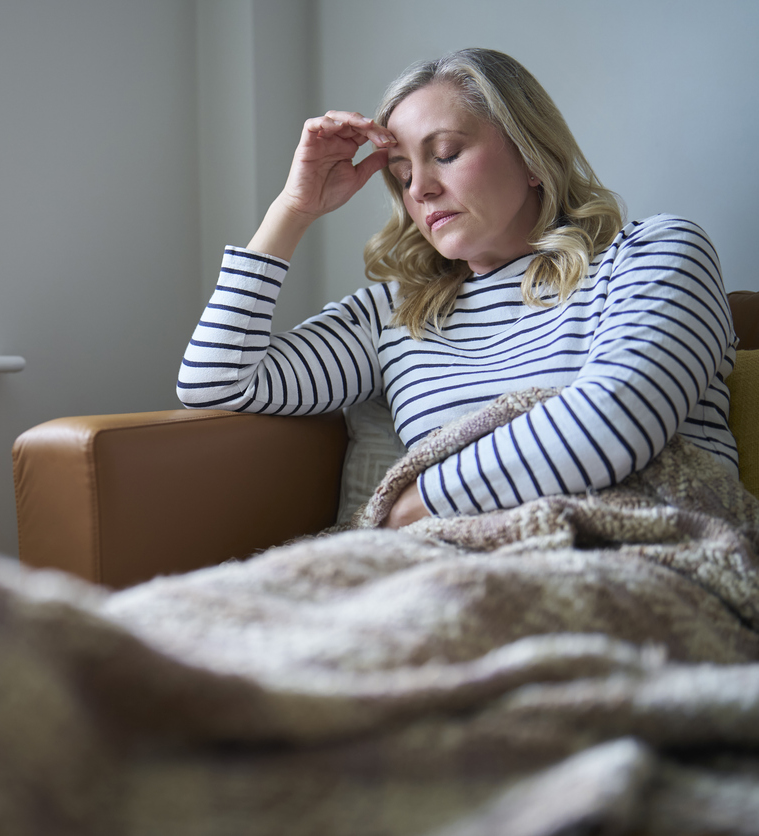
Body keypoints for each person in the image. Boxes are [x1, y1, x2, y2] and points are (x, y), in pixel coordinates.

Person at [177, 48, 738, 530]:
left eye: (444, 154)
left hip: (639, 550)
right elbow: (217, 382)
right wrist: (293, 210)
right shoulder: (396, 314)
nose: (419, 187)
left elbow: (621, 419)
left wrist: (415, 506)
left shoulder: (654, 255)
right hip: (454, 566)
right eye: (400, 173)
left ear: (531, 157)